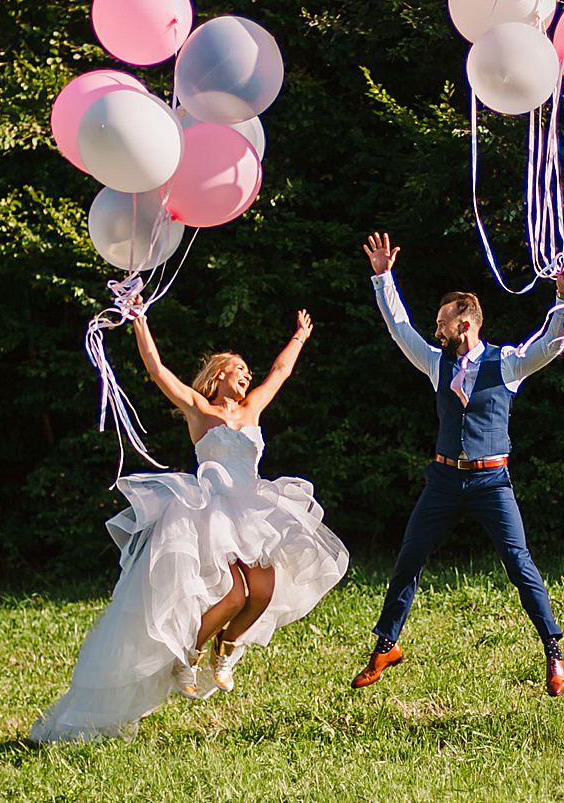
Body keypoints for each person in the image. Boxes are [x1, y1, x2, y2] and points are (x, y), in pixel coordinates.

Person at [29, 306, 349, 743]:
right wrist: (140, 323)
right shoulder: (200, 409)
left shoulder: (252, 407)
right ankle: (188, 654)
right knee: (233, 593)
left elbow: (280, 372)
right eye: (237, 369)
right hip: (211, 509)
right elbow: (159, 371)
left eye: (246, 371)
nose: (245, 375)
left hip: (252, 508)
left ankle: (228, 647)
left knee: (264, 590)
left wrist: (299, 337)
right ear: (217, 376)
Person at [352, 232, 564, 697]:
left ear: (464, 324)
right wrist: (382, 278)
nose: (435, 328)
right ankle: (385, 646)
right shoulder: (437, 364)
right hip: (442, 479)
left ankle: (554, 653)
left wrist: (563, 299)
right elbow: (400, 329)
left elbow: (552, 344)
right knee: (408, 560)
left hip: (492, 481)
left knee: (519, 564)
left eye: (442, 322)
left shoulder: (507, 363)